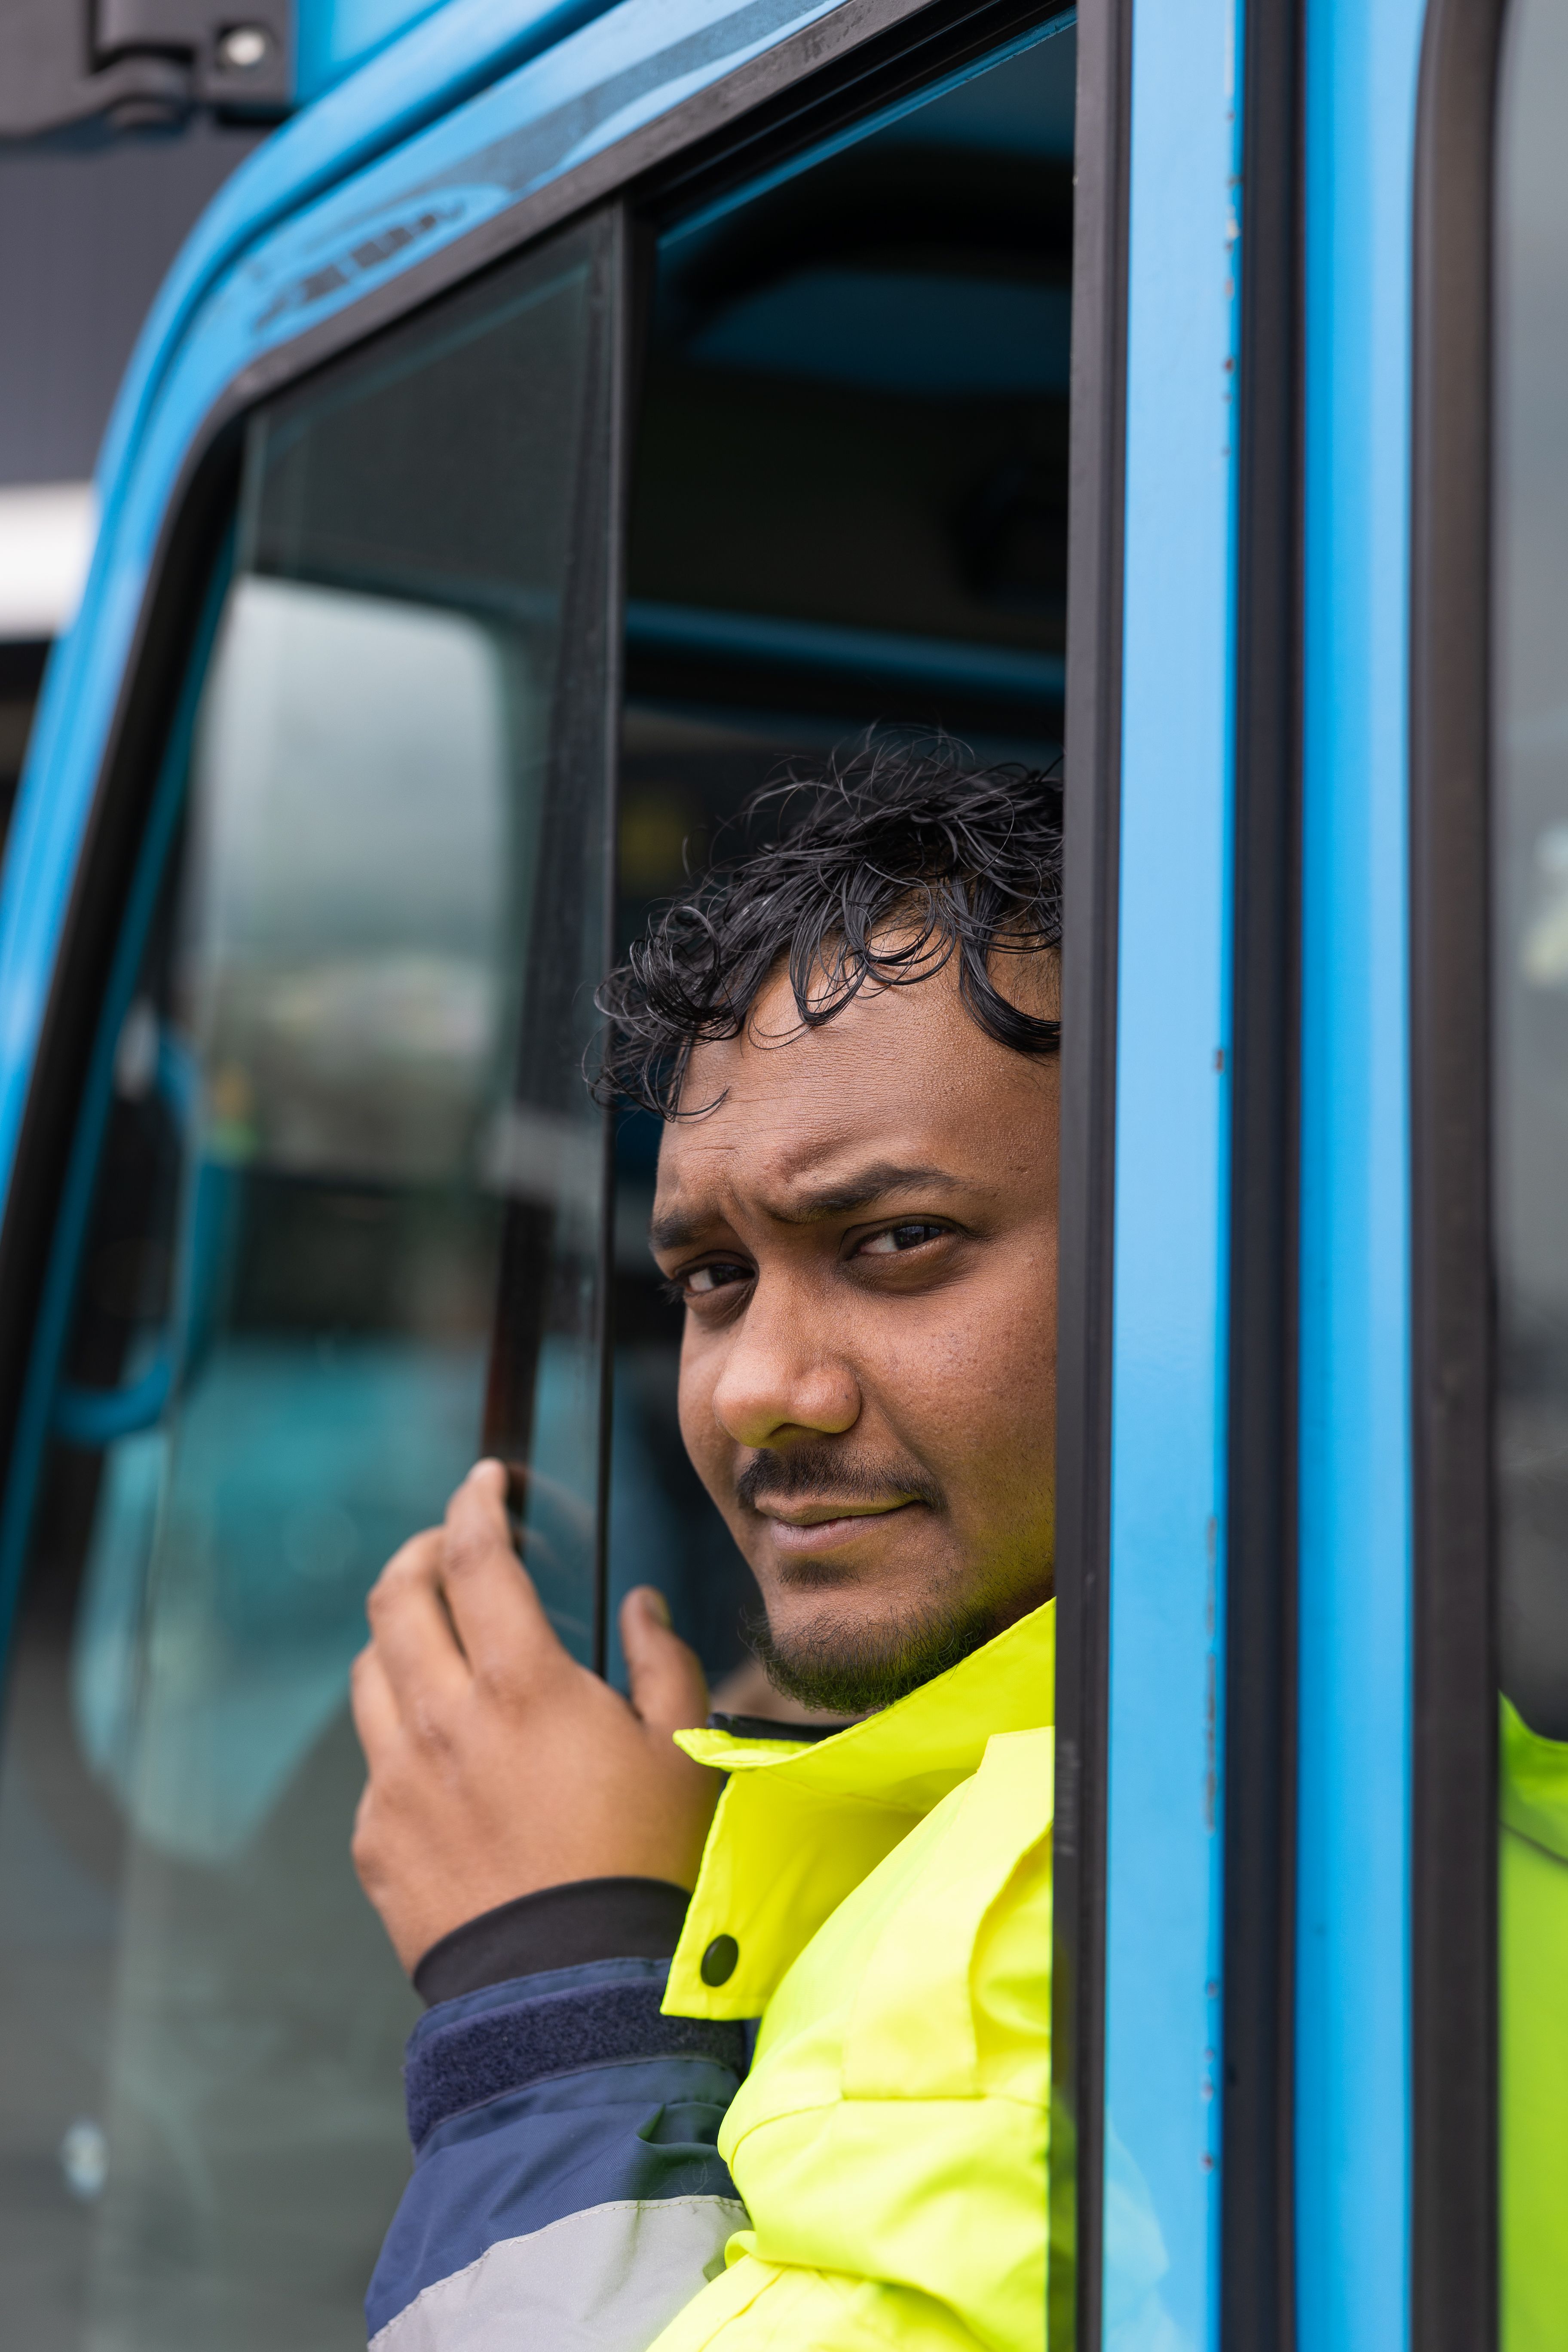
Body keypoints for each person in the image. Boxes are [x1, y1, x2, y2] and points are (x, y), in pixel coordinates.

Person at [351, 739, 1063, 2350]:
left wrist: (557, 1994)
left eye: (896, 1241)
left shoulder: (1074, 1920)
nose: (757, 1394)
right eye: (713, 1279)